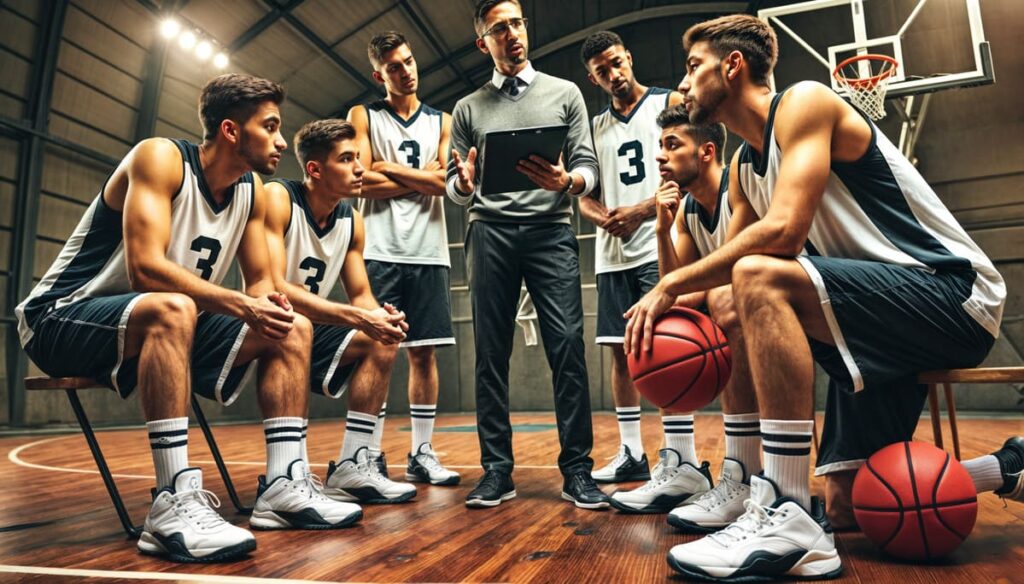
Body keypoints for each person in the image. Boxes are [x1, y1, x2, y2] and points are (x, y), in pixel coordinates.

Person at [624, 14, 1020, 580]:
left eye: (693, 67)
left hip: (951, 295)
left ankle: (786, 506)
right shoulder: (742, 167)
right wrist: (671, 288)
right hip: (873, 317)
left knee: (759, 274)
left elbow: (783, 232)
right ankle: (1002, 468)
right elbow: (724, 285)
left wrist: (667, 284)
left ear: (733, 66)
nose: (682, 84)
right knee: (848, 503)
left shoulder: (804, 103)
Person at [15, 74, 361, 563]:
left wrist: (268, 307)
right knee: (173, 305)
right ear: (230, 131)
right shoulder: (160, 158)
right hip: (60, 317)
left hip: (161, 322)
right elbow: (145, 268)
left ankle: (283, 484)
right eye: (270, 126)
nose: (282, 140)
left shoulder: (252, 193)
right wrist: (242, 304)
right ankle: (170, 503)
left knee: (290, 327)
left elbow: (262, 285)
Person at [447, 0, 608, 509]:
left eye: (517, 23)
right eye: (499, 29)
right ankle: (497, 472)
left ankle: (578, 471)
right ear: (484, 43)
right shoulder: (467, 108)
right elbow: (454, 184)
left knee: (567, 347)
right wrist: (462, 183)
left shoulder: (566, 93)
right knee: (490, 355)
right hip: (490, 231)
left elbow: (588, 166)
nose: (512, 34)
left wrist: (570, 181)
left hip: (550, 232)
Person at [264, 119, 418, 505]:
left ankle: (353, 465)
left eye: (358, 158)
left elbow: (362, 294)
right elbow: (273, 287)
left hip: (309, 327)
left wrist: (381, 317)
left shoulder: (352, 220)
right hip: (265, 324)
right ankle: (288, 475)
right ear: (314, 169)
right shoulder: (279, 198)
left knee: (380, 340)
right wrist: (357, 316)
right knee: (297, 323)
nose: (360, 168)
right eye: (347, 159)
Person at [577, 30, 692, 488]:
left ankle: (679, 456)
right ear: (593, 79)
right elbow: (582, 193)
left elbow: (685, 176)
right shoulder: (593, 127)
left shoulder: (668, 105)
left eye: (616, 62)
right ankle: (630, 452)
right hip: (612, 256)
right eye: (602, 71)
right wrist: (601, 216)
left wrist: (642, 212)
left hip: (657, 247)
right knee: (619, 353)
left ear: (628, 56)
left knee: (667, 347)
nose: (614, 73)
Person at [347, 31, 461, 486]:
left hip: (429, 252)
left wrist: (388, 169)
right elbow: (359, 179)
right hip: (378, 248)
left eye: (409, 62)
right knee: (379, 349)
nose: (406, 71)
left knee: (423, 354)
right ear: (380, 75)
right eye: (394, 67)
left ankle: (422, 452)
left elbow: (446, 184)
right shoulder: (364, 115)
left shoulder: (443, 120)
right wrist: (420, 177)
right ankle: (367, 454)